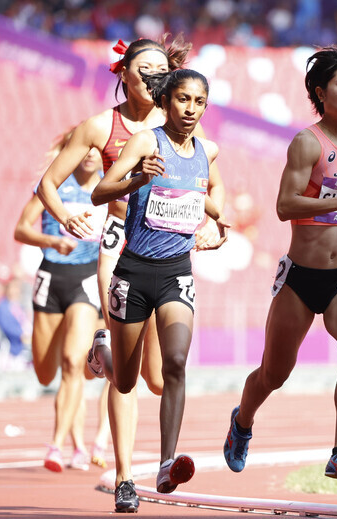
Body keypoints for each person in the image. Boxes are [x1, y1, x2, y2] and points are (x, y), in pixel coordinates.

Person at [36, 35, 225, 513]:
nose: (155, 75)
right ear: (123, 72)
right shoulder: (103, 125)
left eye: (163, 68)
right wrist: (67, 216)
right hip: (120, 243)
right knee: (129, 379)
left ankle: (104, 351)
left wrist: (216, 226)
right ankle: (125, 476)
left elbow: (207, 186)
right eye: (145, 67)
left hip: (170, 247)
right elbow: (47, 184)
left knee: (159, 379)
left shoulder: (181, 119)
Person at [222, 45, 337, 482]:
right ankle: (242, 421)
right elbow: (286, 205)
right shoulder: (307, 143)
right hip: (301, 279)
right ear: (321, 93)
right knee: (274, 373)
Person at [92, 66, 228, 495]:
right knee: (127, 381)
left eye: (199, 101)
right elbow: (100, 192)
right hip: (132, 271)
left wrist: (217, 227)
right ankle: (102, 353)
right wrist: (138, 178)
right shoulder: (146, 141)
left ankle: (167, 463)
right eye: (183, 99)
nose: (191, 109)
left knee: (174, 364)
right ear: (167, 101)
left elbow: (216, 192)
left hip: (176, 275)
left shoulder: (208, 150)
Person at [13, 137, 104, 473]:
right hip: (50, 278)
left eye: (99, 150)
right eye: (87, 149)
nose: (92, 156)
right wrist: (50, 240)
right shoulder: (52, 187)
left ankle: (58, 445)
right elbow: (21, 229)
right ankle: (72, 441)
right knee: (44, 372)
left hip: (85, 280)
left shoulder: (109, 189)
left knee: (71, 362)